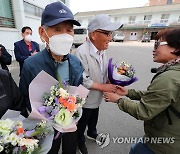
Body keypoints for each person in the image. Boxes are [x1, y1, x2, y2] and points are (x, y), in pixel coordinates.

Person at [19, 2, 83, 154]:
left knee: (70, 150)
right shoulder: (31, 65)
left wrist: (74, 113)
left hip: (70, 124)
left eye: (69, 30)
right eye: (57, 29)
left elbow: (78, 93)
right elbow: (24, 100)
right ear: (42, 33)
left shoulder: (76, 63)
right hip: (44, 128)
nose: (65, 35)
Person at [104, 28, 180, 154]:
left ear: (176, 48)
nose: (154, 49)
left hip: (163, 145)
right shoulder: (173, 73)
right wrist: (129, 93)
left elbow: (143, 111)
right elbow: (159, 98)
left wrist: (118, 100)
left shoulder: (169, 78)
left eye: (158, 44)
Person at [75, 14, 123, 154]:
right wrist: (103, 87)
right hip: (85, 99)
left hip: (96, 97)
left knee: (94, 115)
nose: (110, 38)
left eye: (111, 34)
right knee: (83, 119)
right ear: (94, 35)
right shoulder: (81, 52)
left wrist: (110, 79)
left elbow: (103, 70)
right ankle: (80, 140)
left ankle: (92, 132)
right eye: (107, 33)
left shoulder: (102, 50)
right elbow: (82, 79)